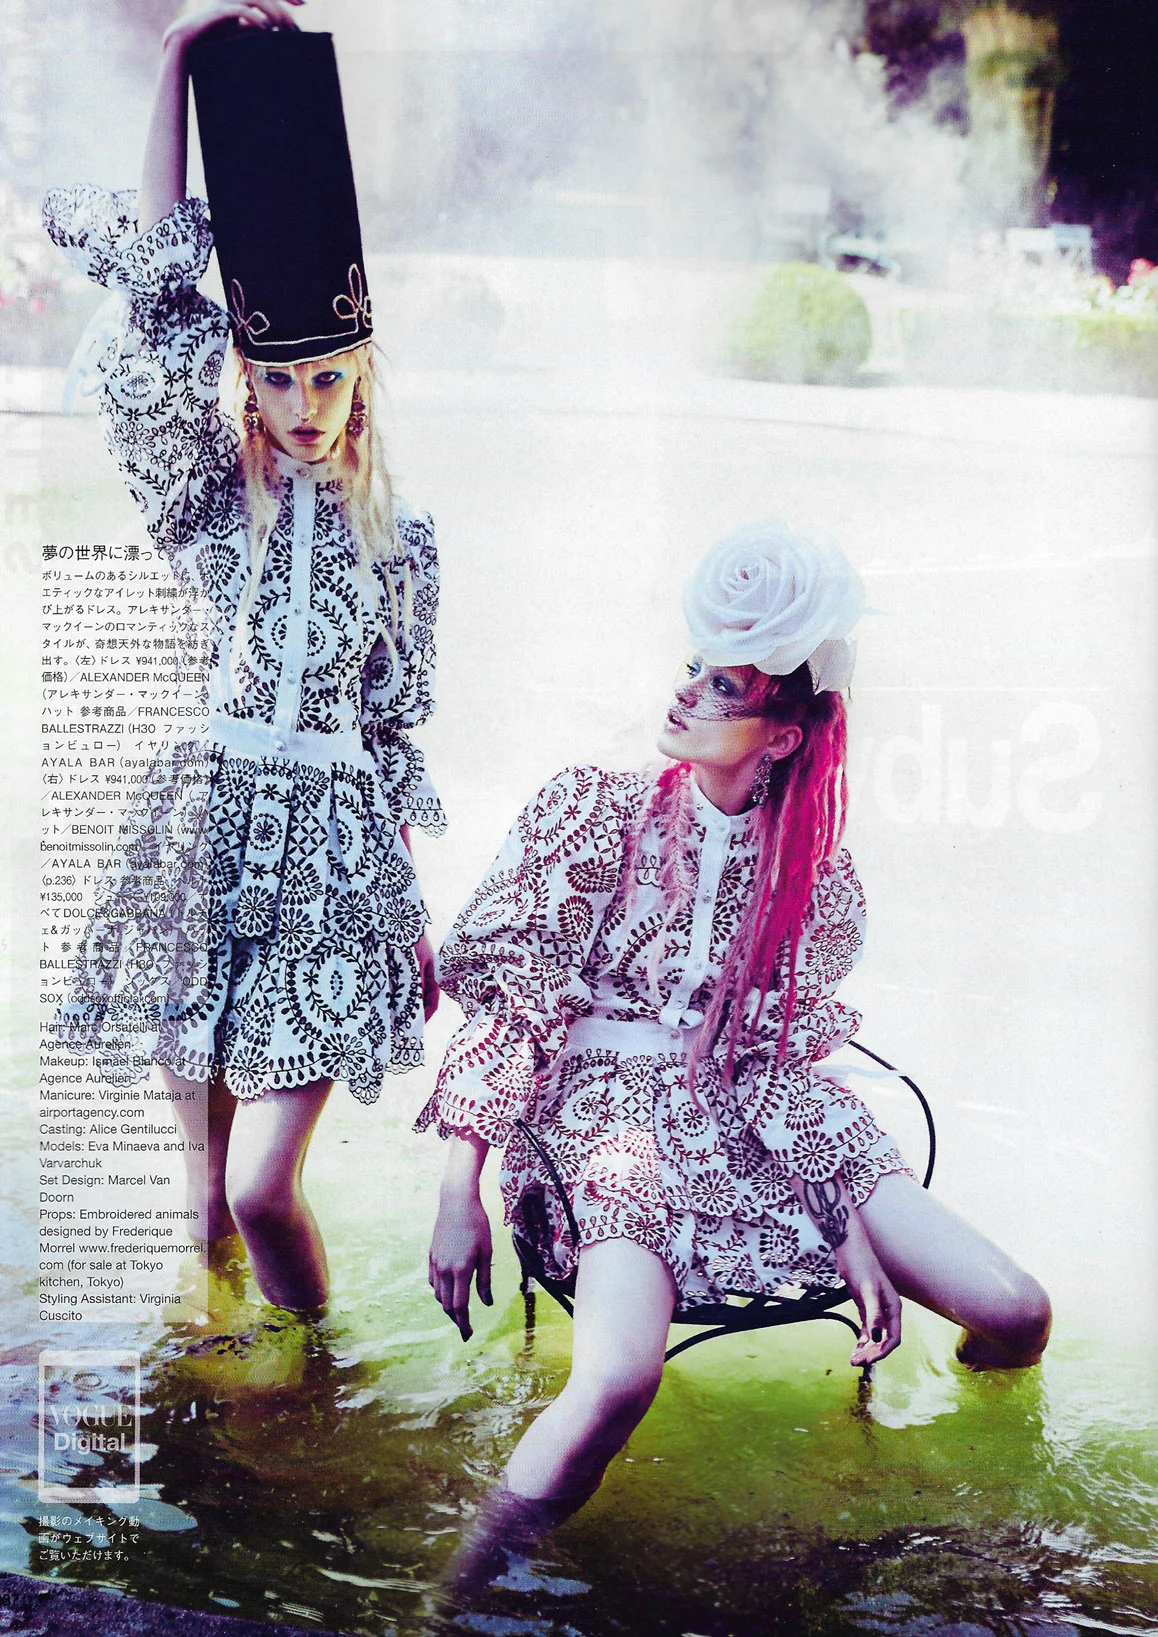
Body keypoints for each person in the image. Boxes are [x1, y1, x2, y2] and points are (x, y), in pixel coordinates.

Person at [421, 522, 1051, 1593]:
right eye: (694, 669)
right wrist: (458, 1189)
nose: (686, 693)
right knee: (617, 1381)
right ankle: (446, 1599)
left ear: (783, 735)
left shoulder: (810, 868)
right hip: (600, 1118)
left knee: (1019, 1312)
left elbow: (770, 1064)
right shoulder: (595, 807)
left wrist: (845, 1222)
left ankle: (959, 1479)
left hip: (752, 1111)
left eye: (723, 687)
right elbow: (514, 1005)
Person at [41, 0, 443, 1312]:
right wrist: (176, 58)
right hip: (201, 840)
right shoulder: (214, 503)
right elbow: (162, 289)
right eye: (280, 379)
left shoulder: (404, 544)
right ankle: (224, 1402)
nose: (307, 404)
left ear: (361, 377)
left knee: (266, 1188)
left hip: (328, 868)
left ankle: (320, 1376)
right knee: (205, 1203)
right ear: (246, 384)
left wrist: (407, 917)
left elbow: (390, 738)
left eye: (329, 377)